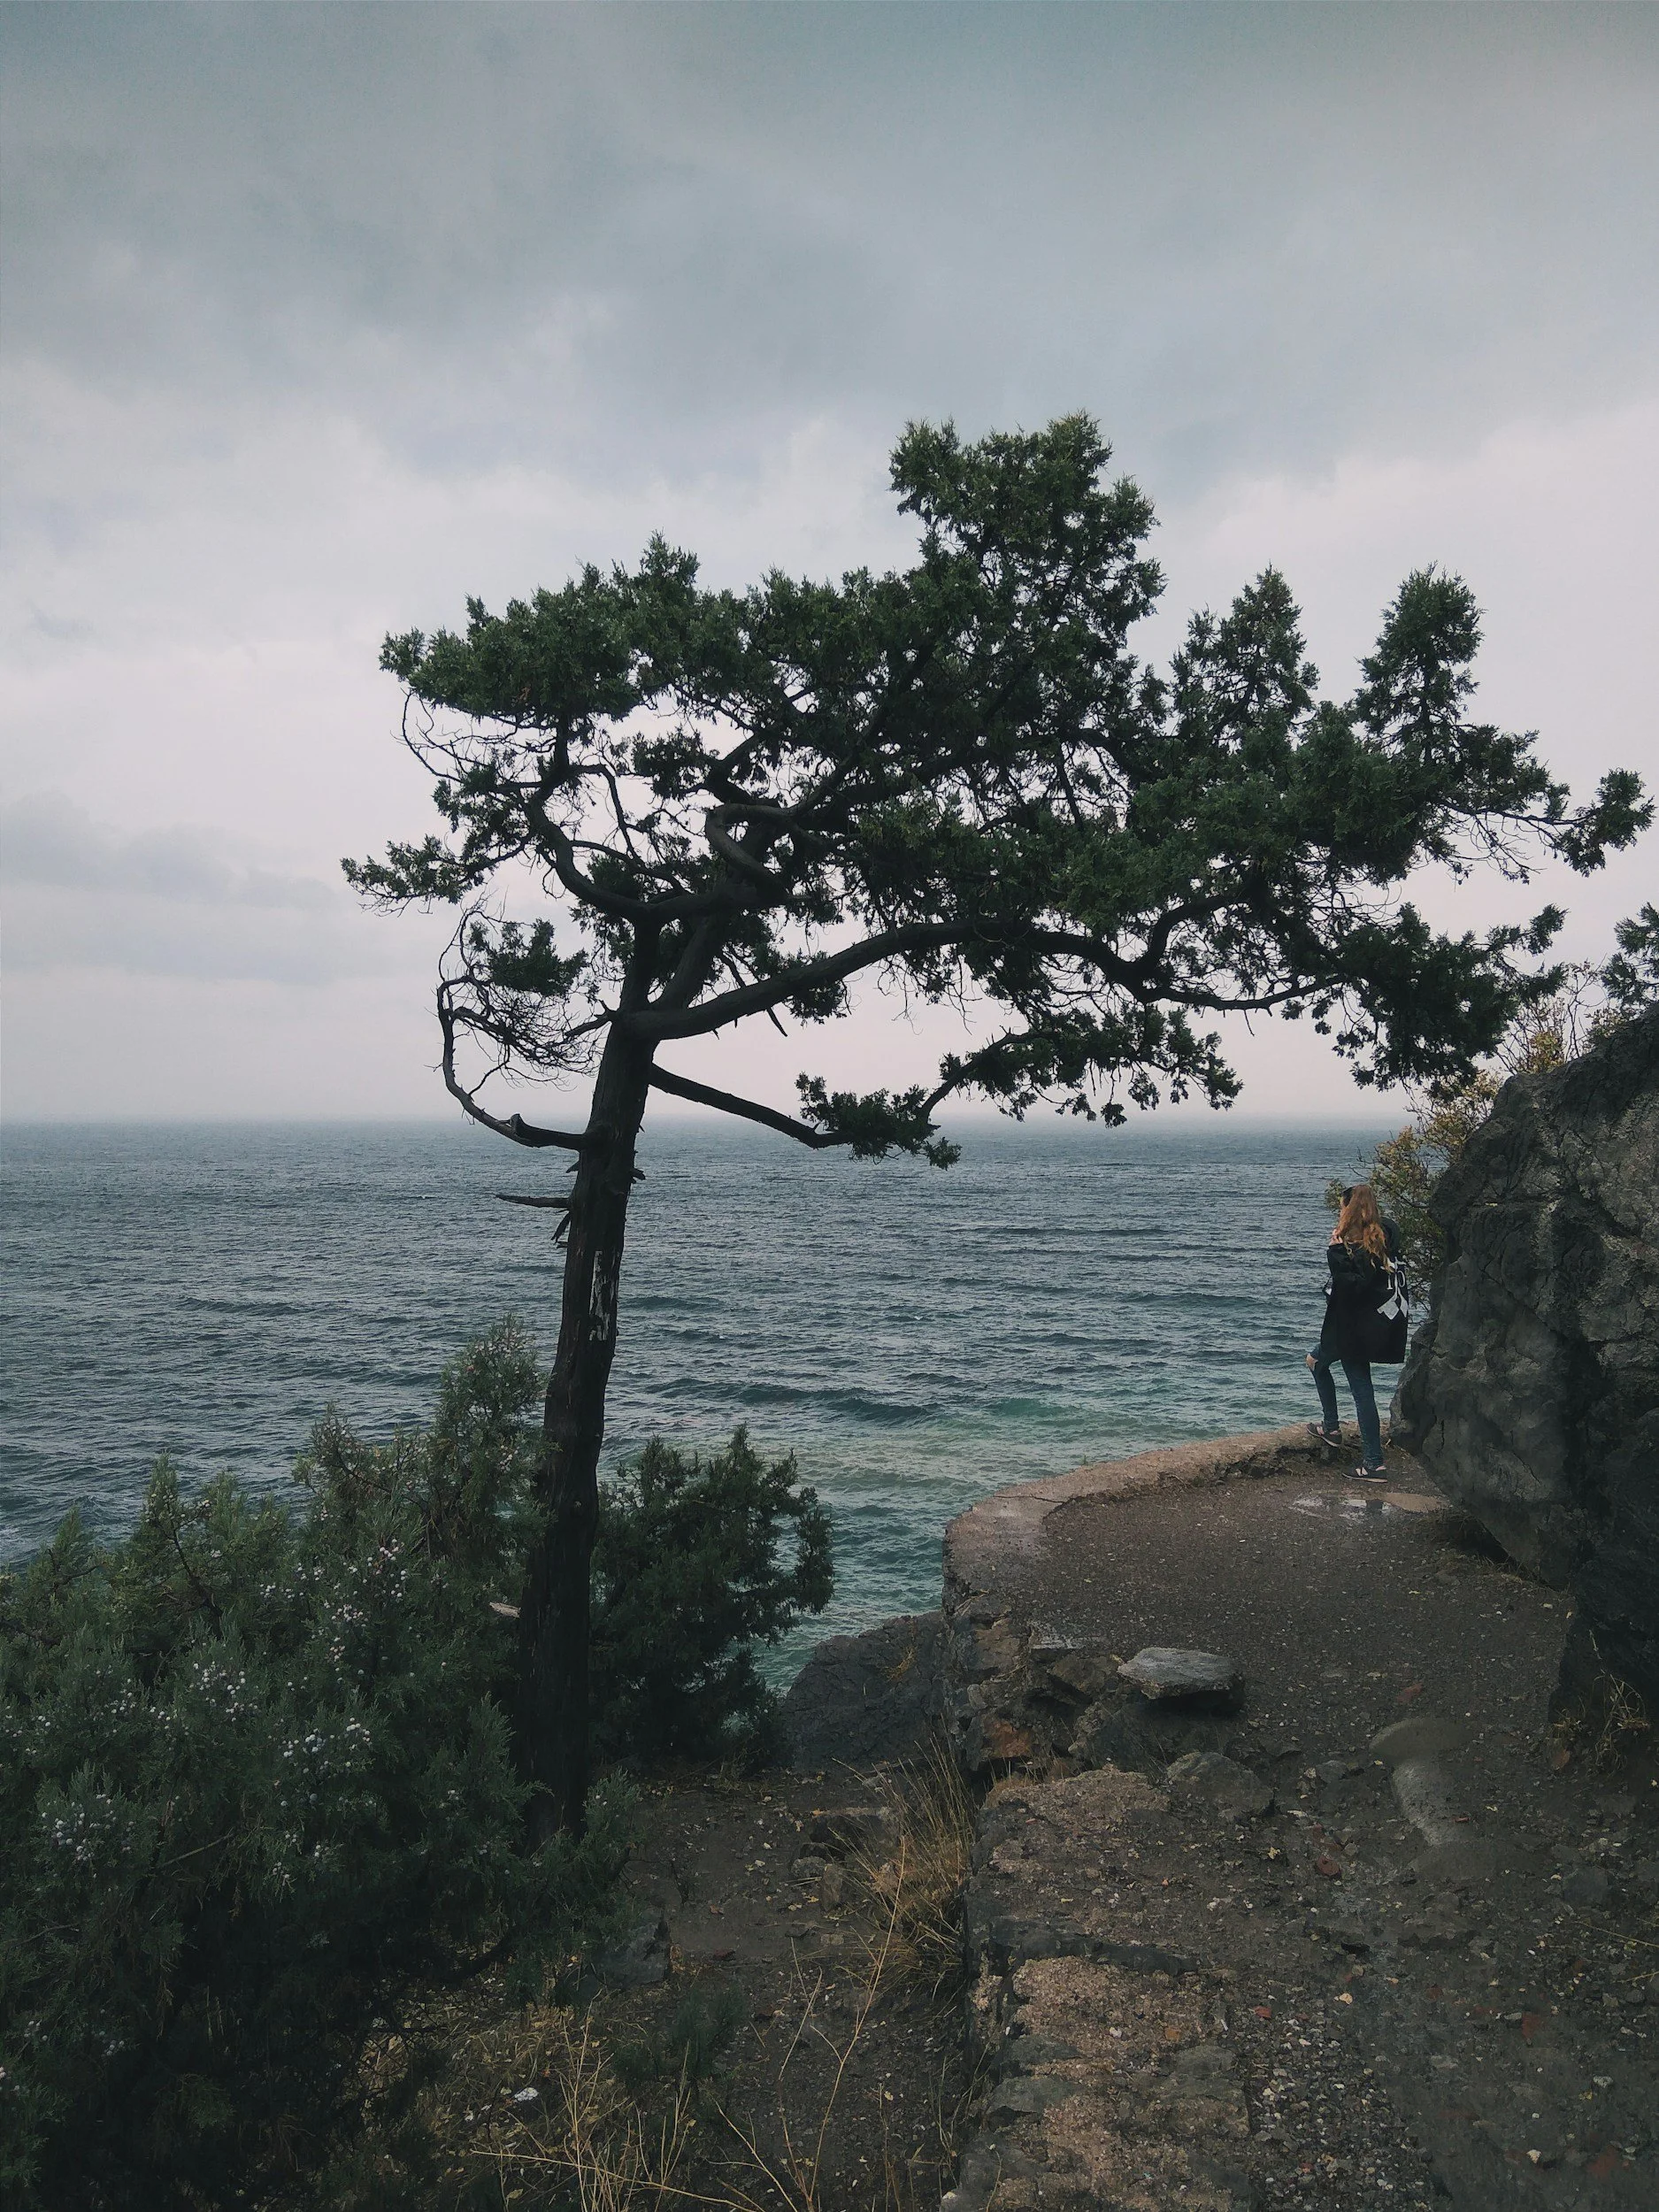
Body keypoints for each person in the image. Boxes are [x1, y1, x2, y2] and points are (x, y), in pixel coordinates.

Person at [1306, 1181, 1400, 1482]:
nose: (1339, 1211)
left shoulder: (1358, 1244)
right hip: (1368, 1325)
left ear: (1350, 1208)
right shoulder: (1384, 1235)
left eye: (1342, 1206)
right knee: (1317, 1362)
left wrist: (1335, 1252)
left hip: (1351, 1328)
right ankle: (1331, 1428)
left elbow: (1352, 1286)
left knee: (1361, 1389)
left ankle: (1372, 1462)